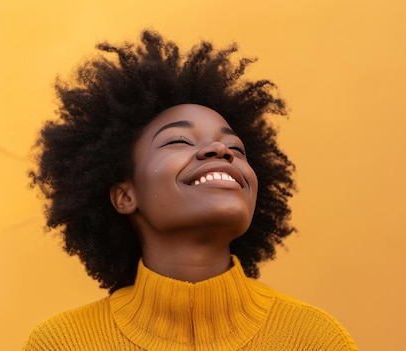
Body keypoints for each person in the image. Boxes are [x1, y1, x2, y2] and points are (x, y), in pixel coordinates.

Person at [24, 30, 357, 350]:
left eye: (236, 149)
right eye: (179, 141)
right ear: (125, 195)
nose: (220, 151)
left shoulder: (316, 341)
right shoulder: (61, 344)